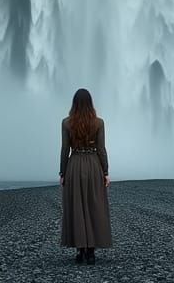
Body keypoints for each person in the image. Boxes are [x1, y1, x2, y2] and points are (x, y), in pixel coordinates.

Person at [59, 88, 112, 264]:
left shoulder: (66, 123)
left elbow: (65, 149)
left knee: (77, 206)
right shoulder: (99, 123)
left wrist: (62, 172)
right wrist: (105, 172)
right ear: (90, 103)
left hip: (74, 166)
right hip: (93, 165)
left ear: (74, 103)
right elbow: (101, 149)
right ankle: (91, 252)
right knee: (93, 206)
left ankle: (80, 251)